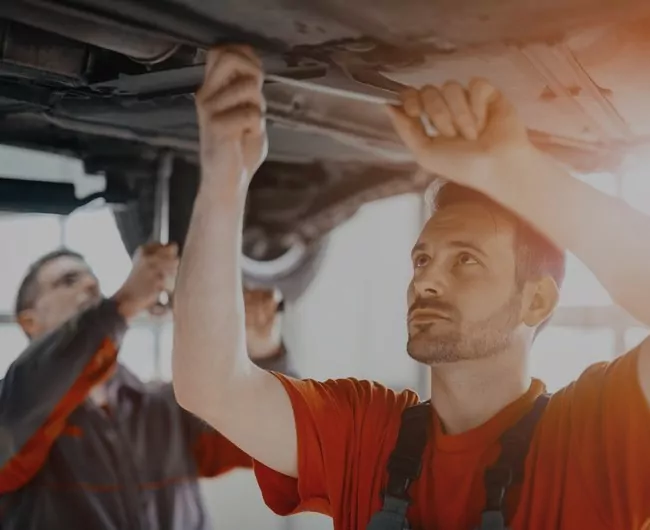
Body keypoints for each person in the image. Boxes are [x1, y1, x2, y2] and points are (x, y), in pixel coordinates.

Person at [172, 45, 650, 530]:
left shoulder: (595, 437)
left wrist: (513, 169)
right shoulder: (366, 432)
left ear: (537, 300)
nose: (426, 279)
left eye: (467, 260)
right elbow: (211, 386)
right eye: (422, 258)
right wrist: (223, 180)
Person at [0, 243, 292, 529]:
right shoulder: (13, 409)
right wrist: (121, 304)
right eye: (69, 280)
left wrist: (264, 348)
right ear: (29, 322)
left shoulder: (166, 407)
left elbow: (279, 442)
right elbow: (29, 394)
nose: (90, 284)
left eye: (93, 278)